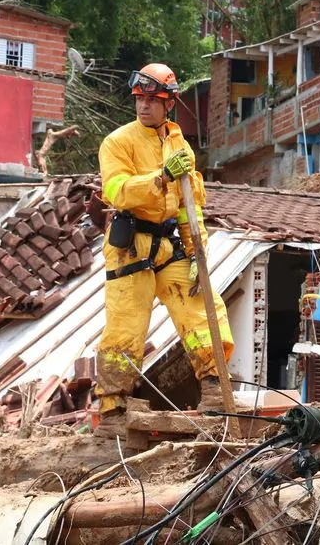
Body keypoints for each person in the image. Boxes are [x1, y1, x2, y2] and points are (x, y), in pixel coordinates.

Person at [93, 62, 233, 436]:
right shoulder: (118, 141)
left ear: (168, 103)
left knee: (203, 310)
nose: (144, 106)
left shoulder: (177, 142)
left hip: (170, 243)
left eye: (153, 100)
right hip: (132, 245)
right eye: (140, 99)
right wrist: (161, 176)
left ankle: (216, 392)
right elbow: (117, 191)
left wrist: (196, 251)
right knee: (126, 325)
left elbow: (191, 203)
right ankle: (112, 410)